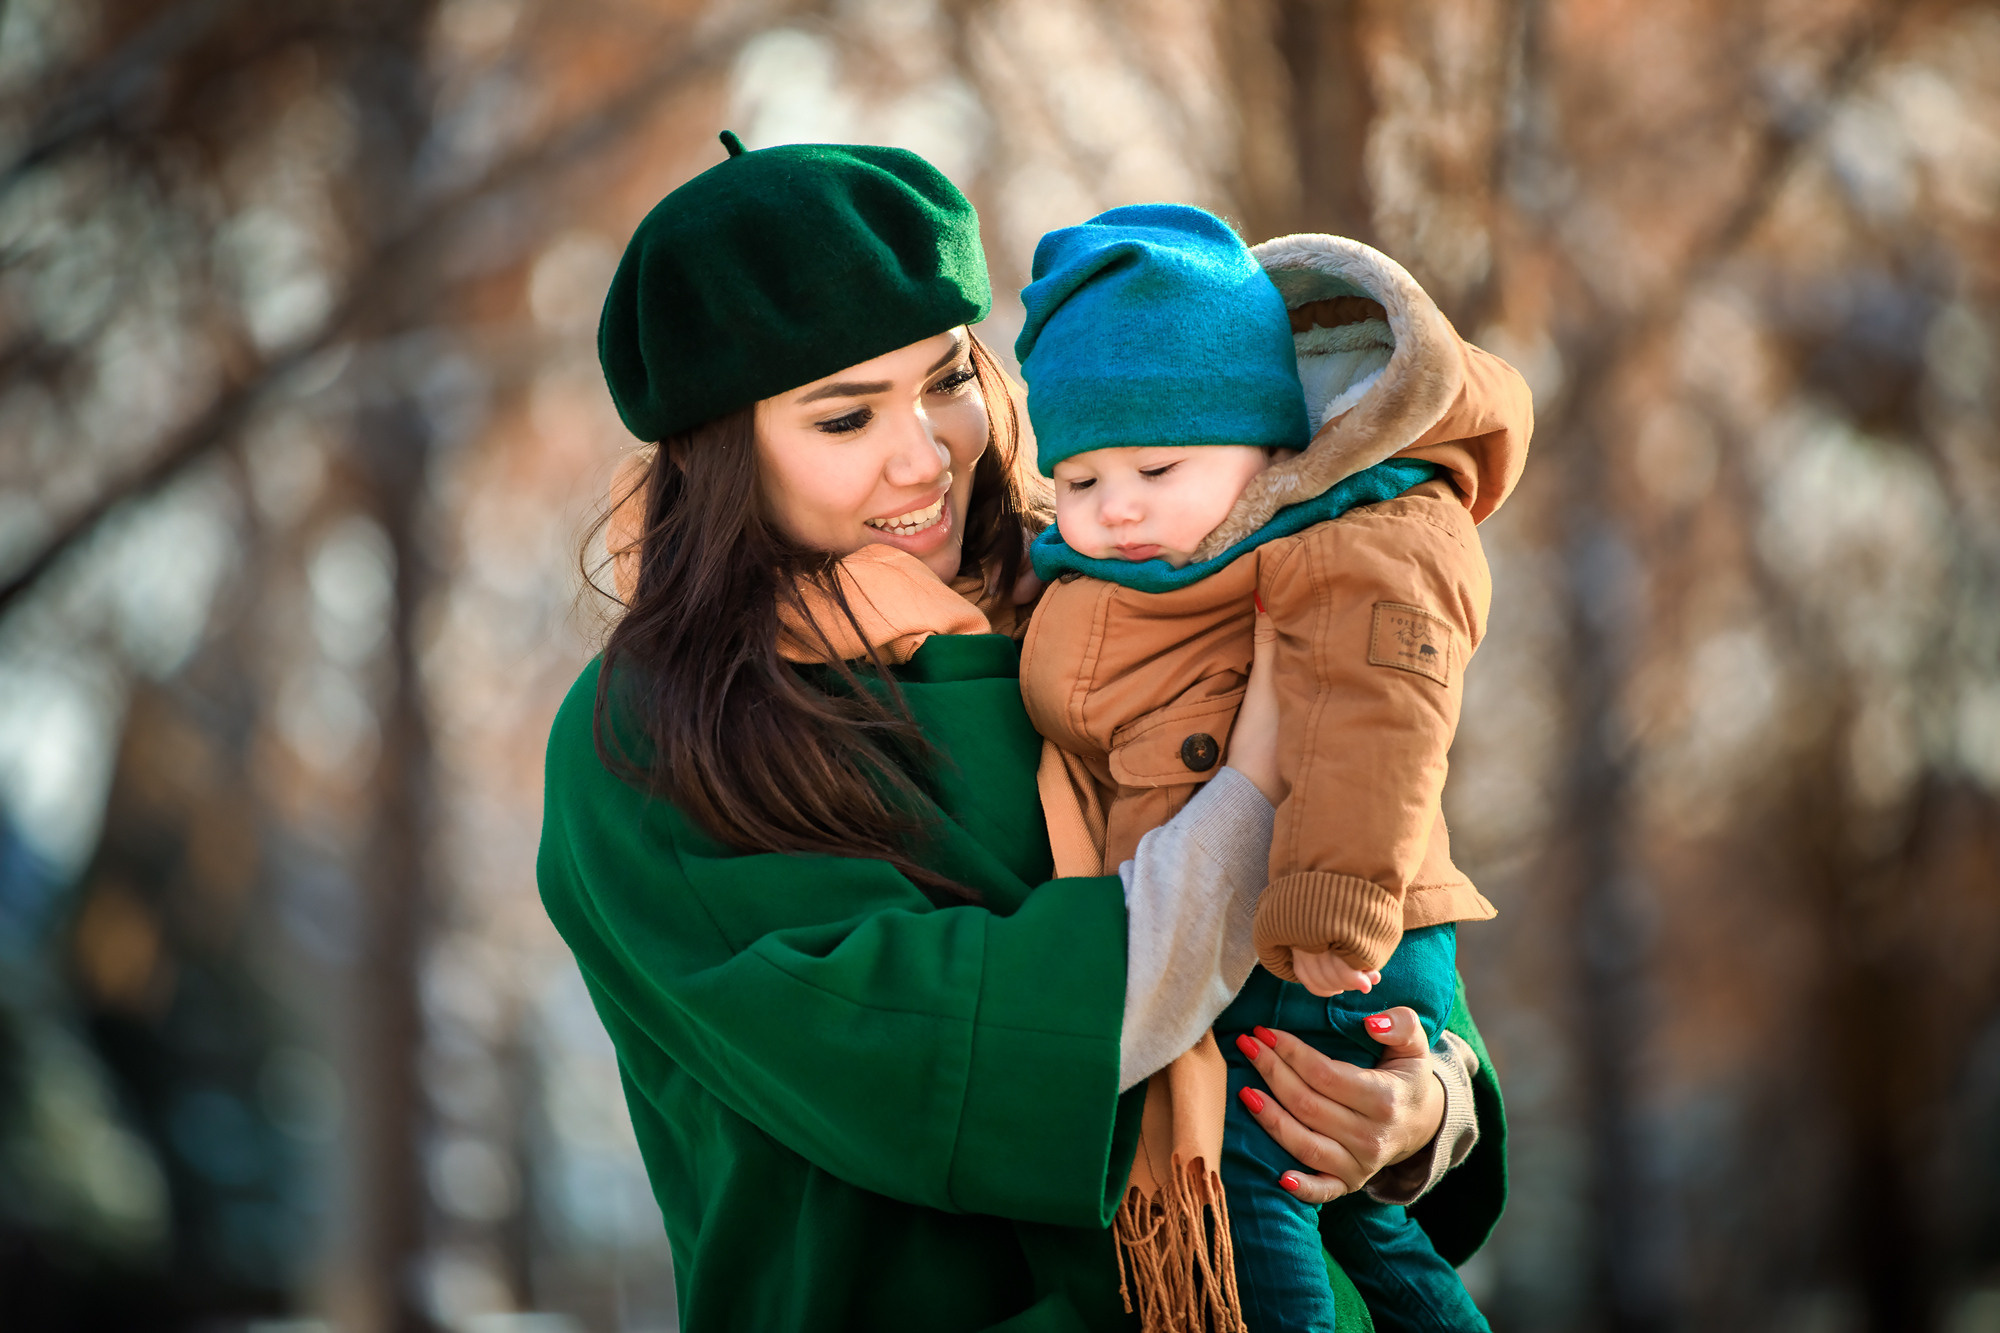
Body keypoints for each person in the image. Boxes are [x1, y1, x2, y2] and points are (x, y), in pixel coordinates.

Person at [537, 132, 1504, 1333]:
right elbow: (945, 1049)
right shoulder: (655, 735)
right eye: (844, 419)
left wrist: (1422, 1109)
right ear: (722, 453)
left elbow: (1382, 897)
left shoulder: (1120, 571)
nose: (925, 454)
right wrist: (1254, 780)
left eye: (944, 380)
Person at [1016, 205, 1531, 1332]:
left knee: (1257, 1182)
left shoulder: (1349, 544)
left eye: (1156, 465)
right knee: (1359, 1218)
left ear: (1265, 446)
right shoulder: (1159, 562)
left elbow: (1372, 723)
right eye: (1080, 478)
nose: (1117, 508)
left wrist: (1330, 903)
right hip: (1268, 930)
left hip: (1316, 927)